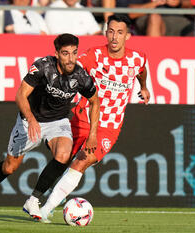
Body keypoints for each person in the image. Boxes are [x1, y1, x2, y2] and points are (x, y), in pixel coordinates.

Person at [35, 14, 150, 223]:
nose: (114, 37)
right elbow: (69, 68)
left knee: (82, 161)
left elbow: (141, 70)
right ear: (106, 32)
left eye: (120, 32)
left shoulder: (137, 58)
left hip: (109, 126)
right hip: (81, 118)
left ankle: (46, 210)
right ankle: (34, 199)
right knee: (62, 160)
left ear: (128, 36)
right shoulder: (94, 55)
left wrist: (144, 87)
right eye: (111, 31)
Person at [0, 33, 100, 214]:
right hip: (30, 120)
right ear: (57, 54)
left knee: (64, 155)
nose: (71, 58)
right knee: (10, 167)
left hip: (58, 120)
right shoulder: (43, 67)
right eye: (65, 53)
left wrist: (93, 135)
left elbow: (95, 101)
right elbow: (20, 95)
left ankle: (33, 200)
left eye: (74, 53)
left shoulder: (81, 77)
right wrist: (32, 120)